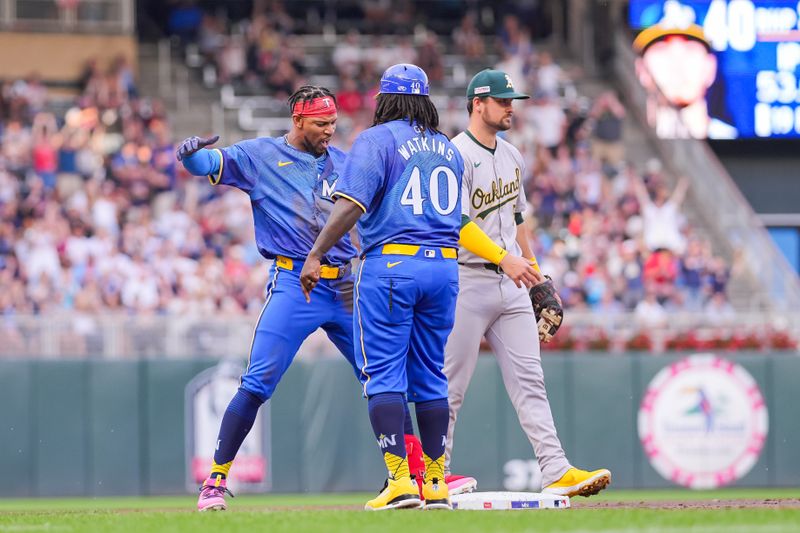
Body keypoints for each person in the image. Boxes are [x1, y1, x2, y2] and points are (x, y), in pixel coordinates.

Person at [176, 85, 425, 511]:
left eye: (333, 122)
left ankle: (412, 478)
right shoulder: (260, 156)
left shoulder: (347, 163)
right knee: (257, 382)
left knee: (386, 378)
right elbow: (209, 163)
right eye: (321, 123)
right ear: (298, 120)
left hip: (346, 285)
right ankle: (215, 481)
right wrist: (190, 155)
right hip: (296, 283)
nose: (330, 130)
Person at [300, 64, 462, 511]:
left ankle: (399, 480)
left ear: (386, 100)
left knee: (384, 373)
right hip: (445, 268)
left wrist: (315, 254)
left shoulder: (377, 140)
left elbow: (350, 205)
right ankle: (435, 481)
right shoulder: (448, 147)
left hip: (393, 265)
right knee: (431, 374)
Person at [443, 68, 612, 498]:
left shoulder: (513, 155)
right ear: (477, 104)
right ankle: (433, 473)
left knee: (530, 382)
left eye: (511, 101)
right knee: (450, 385)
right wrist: (507, 259)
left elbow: (517, 221)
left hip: (512, 282)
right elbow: (458, 223)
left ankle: (555, 469)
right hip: (465, 279)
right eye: (502, 101)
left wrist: (538, 278)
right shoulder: (454, 154)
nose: (509, 108)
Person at [633, 16, 737, 139]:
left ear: (710, 67)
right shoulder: (629, 142)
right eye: (662, 49)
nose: (677, 65)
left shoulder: (732, 140)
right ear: (641, 69)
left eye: (690, 49)